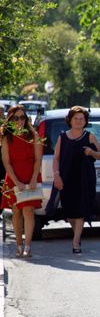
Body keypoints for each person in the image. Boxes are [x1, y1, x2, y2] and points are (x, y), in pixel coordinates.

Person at [50, 106, 100, 254]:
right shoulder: (63, 137)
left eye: (82, 119)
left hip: (84, 179)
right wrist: (56, 175)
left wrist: (91, 152)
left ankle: (75, 243)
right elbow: (56, 158)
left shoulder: (90, 136)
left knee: (81, 211)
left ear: (85, 121)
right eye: (76, 118)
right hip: (66, 178)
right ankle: (77, 234)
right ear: (70, 120)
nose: (79, 121)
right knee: (69, 212)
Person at [1, 105, 43, 258]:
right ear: (10, 120)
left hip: (30, 175)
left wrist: (33, 178)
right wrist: (16, 181)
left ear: (26, 119)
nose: (20, 121)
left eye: (22, 117)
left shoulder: (33, 135)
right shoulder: (6, 137)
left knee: (29, 211)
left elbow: (38, 159)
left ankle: (27, 246)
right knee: (16, 211)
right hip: (13, 177)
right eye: (16, 118)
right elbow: (6, 162)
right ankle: (18, 246)